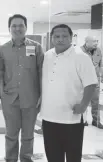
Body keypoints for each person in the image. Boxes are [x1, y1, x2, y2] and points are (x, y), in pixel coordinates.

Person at [40, 24, 97, 162]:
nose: (61, 39)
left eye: (65, 36)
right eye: (57, 36)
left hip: (72, 118)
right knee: (53, 156)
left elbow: (91, 83)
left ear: (71, 37)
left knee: (73, 156)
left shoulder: (81, 57)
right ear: (52, 38)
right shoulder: (47, 56)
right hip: (48, 118)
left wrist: (84, 105)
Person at [0, 14, 44, 162]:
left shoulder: (36, 47)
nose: (17, 29)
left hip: (31, 98)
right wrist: (2, 95)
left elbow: (41, 72)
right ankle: (10, 159)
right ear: (9, 28)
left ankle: (26, 159)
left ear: (26, 27)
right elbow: (0, 73)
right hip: (9, 98)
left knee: (28, 134)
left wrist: (41, 96)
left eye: (20, 25)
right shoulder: (3, 49)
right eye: (14, 26)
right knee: (11, 134)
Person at [80, 35, 103, 129]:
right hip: (83, 81)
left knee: (95, 102)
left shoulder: (98, 51)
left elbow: (101, 65)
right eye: (94, 41)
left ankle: (96, 121)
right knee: (83, 101)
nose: (96, 43)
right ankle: (83, 120)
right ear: (87, 42)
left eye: (97, 41)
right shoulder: (79, 51)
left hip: (95, 81)